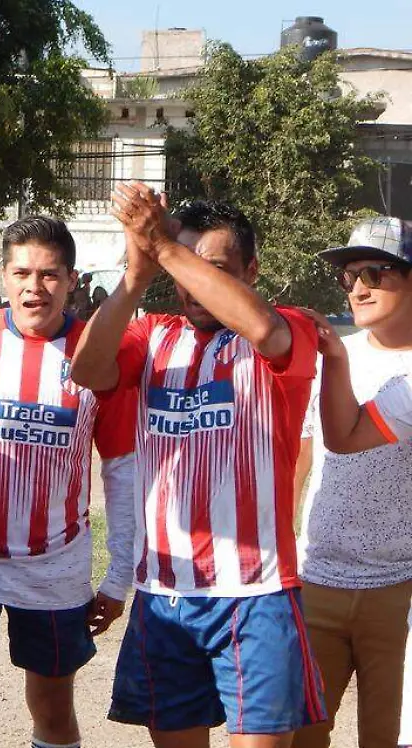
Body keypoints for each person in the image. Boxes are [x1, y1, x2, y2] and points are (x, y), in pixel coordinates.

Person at [70, 184, 326, 747]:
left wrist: (164, 246)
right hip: (165, 592)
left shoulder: (286, 327)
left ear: (250, 270)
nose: (191, 281)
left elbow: (264, 331)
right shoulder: (155, 335)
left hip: (255, 592)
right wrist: (137, 274)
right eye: (182, 264)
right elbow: (87, 370)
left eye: (210, 267)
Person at [0, 216, 137, 748]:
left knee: (53, 709)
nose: (35, 287)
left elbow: (122, 467)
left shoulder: (99, 354)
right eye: (22, 273)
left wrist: (119, 574)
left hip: (54, 564)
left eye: (49, 275)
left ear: (72, 279)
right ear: (3, 277)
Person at [290, 217, 412, 748]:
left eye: (375, 272)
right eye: (348, 275)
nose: (358, 286)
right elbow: (304, 453)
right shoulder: (332, 358)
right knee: (299, 735)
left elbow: (346, 436)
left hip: (401, 590)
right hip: (319, 578)